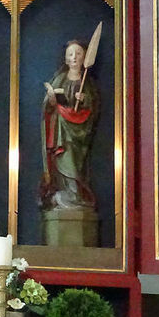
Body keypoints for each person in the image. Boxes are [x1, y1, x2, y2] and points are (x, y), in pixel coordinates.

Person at [40, 39, 100, 210]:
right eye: (70, 54)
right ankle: (66, 193)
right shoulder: (60, 79)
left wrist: (85, 99)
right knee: (62, 159)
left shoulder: (87, 82)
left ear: (84, 58)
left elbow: (94, 106)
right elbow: (47, 107)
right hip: (60, 130)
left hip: (78, 131)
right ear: (65, 59)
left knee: (75, 162)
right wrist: (52, 99)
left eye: (78, 53)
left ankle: (75, 195)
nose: (74, 57)